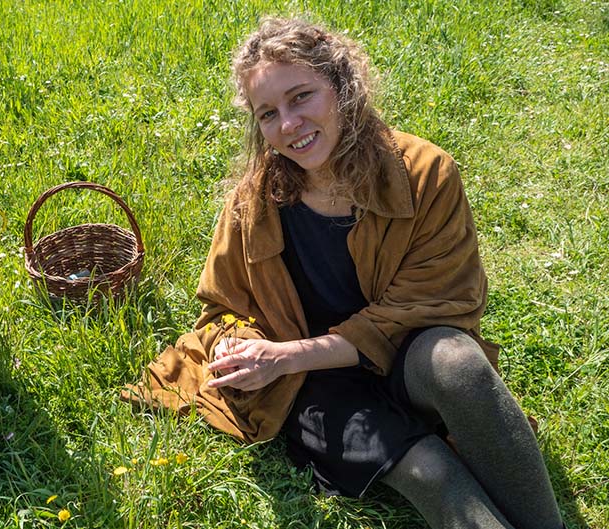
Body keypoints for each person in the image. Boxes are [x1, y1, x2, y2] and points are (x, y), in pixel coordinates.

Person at [124, 17, 564, 529]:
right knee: (432, 473)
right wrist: (240, 346)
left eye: (301, 96)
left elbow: (438, 300)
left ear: (342, 85)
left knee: (458, 364)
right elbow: (224, 306)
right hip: (312, 386)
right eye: (268, 113)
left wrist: (286, 353)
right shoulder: (254, 200)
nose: (288, 124)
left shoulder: (424, 173)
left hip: (405, 357)